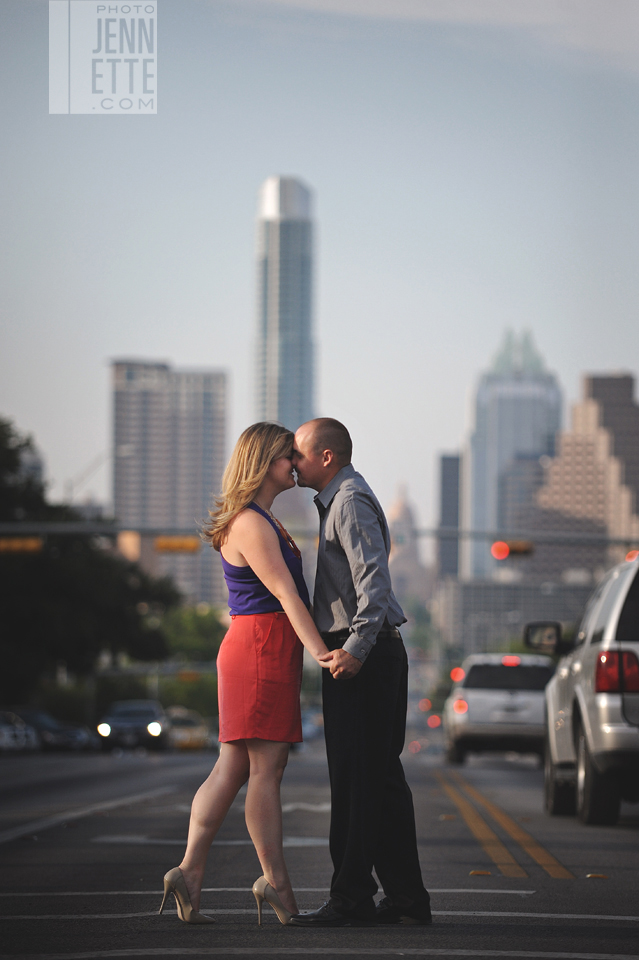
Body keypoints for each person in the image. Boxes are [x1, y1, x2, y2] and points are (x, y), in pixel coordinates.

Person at [159, 422, 332, 926]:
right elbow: (286, 596)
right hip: (260, 647)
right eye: (287, 457)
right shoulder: (252, 523)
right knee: (265, 771)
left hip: (262, 646)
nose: (295, 465)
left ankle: (189, 873)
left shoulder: (262, 519)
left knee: (233, 767)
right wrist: (323, 655)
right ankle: (277, 885)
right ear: (263, 462)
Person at [289, 417, 431, 928]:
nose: (292, 461)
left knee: (357, 781)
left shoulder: (347, 501)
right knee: (380, 781)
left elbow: (373, 580)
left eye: (299, 453)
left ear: (326, 457)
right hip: (371, 653)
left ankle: (350, 898)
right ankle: (408, 899)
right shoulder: (340, 498)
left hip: (363, 657)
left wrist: (354, 648)